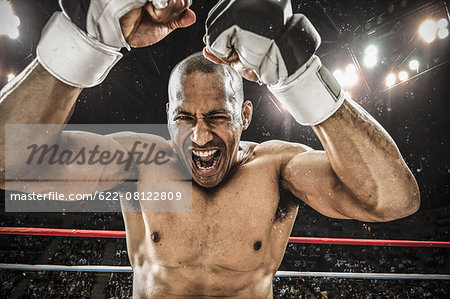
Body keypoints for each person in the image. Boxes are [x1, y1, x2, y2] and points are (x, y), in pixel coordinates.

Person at [0, 0, 420, 298]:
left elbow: (395, 201)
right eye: (185, 118)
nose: (201, 137)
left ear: (246, 115)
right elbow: (8, 163)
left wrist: (302, 77)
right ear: (168, 117)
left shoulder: (277, 167)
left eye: (218, 117)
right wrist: (83, 44)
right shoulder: (140, 162)